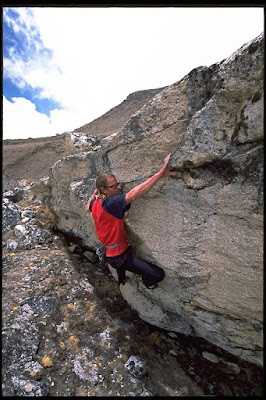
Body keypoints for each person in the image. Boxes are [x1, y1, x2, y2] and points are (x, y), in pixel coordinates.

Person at [85, 153, 175, 289]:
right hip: (120, 256)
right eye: (114, 186)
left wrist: (94, 194)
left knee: (120, 271)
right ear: (104, 190)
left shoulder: (96, 203)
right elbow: (134, 194)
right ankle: (146, 281)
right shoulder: (110, 204)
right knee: (158, 274)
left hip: (111, 254)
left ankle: (121, 280)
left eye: (117, 184)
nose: (119, 187)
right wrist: (159, 174)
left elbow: (87, 208)